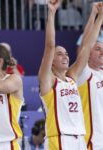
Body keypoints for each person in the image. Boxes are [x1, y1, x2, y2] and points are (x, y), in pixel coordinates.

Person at [38, 0, 103, 150]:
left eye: (66, 54)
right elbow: (49, 46)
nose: (65, 56)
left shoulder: (71, 77)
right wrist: (52, 13)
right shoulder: (48, 80)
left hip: (79, 138)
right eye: (59, 54)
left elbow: (87, 46)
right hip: (59, 139)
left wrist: (100, 18)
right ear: (51, 61)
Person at [76, 3, 103, 149]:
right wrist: (95, 15)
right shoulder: (85, 73)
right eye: (98, 49)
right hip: (91, 142)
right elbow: (86, 44)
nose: (102, 52)